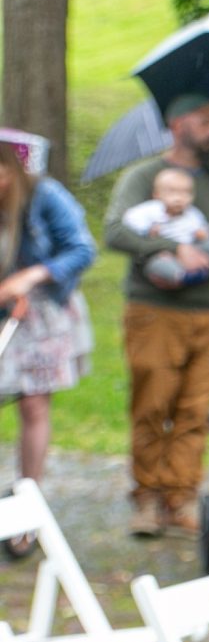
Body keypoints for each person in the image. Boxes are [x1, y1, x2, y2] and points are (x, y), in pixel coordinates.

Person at [104, 93, 209, 537]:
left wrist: (203, 256)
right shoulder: (143, 177)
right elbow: (116, 230)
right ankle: (146, 497)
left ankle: (181, 497)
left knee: (194, 410)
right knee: (152, 404)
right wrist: (171, 248)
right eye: (206, 122)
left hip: (208, 312)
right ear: (179, 124)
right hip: (154, 310)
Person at [0, 134, 96, 556]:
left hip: (42, 312)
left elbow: (82, 250)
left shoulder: (45, 195)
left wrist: (32, 276)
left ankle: (27, 509)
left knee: (34, 404)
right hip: (4, 309)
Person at [119, 166, 209, 289]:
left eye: (186, 193)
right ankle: (183, 277)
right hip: (162, 251)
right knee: (157, 264)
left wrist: (203, 234)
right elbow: (130, 218)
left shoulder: (192, 213)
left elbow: (205, 229)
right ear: (157, 194)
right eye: (172, 192)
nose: (179, 198)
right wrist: (147, 229)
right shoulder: (151, 210)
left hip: (192, 247)